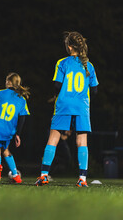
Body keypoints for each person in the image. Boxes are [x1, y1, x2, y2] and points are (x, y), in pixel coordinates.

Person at [35, 31, 98, 187]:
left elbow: (57, 85)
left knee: (53, 139)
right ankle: (82, 179)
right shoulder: (88, 65)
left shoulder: (62, 63)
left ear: (69, 47)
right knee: (82, 141)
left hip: (63, 105)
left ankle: (44, 175)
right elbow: (95, 90)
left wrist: (59, 97)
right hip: (82, 106)